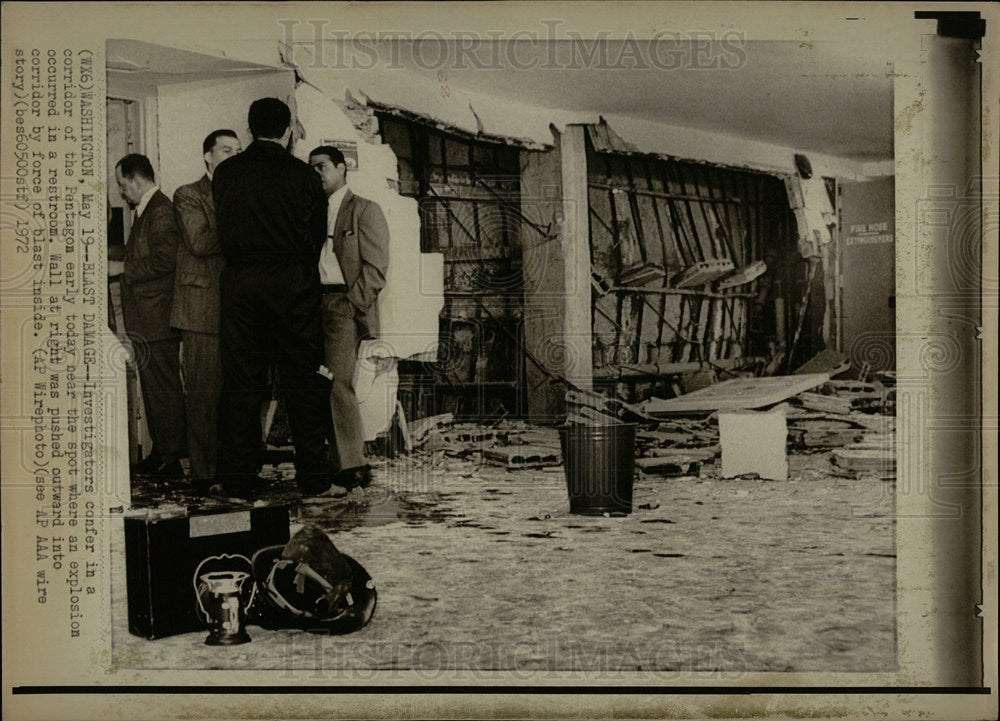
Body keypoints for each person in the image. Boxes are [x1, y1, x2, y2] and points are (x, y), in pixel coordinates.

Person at [212, 98, 333, 499]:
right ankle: (314, 477)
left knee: (241, 384)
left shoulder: (226, 173)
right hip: (291, 285)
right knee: (302, 381)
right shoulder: (304, 176)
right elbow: (315, 236)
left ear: (249, 130)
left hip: (241, 284)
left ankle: (238, 478)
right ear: (288, 131)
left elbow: (224, 229)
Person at [308, 145, 390, 493]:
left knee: (339, 383)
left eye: (322, 167)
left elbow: (376, 269)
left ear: (342, 168)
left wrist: (350, 305)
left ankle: (353, 465)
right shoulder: (309, 211)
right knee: (319, 384)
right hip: (313, 305)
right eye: (311, 169)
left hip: (343, 305)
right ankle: (334, 460)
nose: (317, 174)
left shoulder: (365, 210)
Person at [171, 129, 242, 485]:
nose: (233, 155)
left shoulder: (243, 192)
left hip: (238, 309)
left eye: (238, 150)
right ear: (208, 157)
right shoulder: (188, 194)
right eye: (226, 150)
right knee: (203, 396)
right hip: (201, 310)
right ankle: (203, 475)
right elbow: (199, 242)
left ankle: (230, 473)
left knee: (236, 398)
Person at [115, 154, 187, 479]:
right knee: (154, 388)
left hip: (157, 317)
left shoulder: (160, 209)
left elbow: (165, 260)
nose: (121, 192)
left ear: (134, 178)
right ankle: (162, 451)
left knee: (163, 388)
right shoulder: (148, 209)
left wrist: (122, 269)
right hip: (147, 319)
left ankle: (171, 459)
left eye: (121, 184)